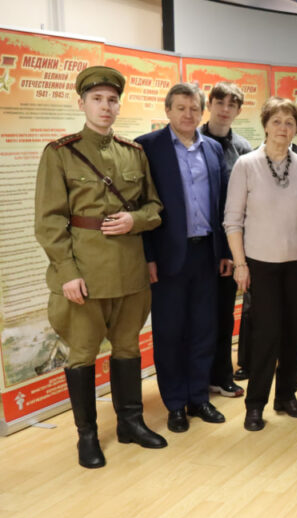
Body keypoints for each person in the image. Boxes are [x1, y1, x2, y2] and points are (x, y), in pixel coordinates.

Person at [35, 66, 167, 468]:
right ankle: (87, 436)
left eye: (112, 100)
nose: (105, 107)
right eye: (97, 99)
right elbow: (49, 222)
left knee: (128, 348)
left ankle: (131, 423)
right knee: (83, 354)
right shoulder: (60, 153)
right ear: (82, 103)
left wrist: (135, 220)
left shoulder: (133, 153)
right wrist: (67, 273)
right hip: (85, 274)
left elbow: (154, 207)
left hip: (129, 270)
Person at [138, 83, 231, 433]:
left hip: (206, 252)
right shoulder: (148, 147)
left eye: (194, 108)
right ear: (168, 111)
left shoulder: (212, 148)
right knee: (170, 332)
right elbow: (140, 205)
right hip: (167, 257)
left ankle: (199, 397)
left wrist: (224, 251)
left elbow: (221, 203)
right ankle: (175, 404)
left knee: (204, 329)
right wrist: (148, 256)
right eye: (181, 108)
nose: (188, 115)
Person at [223, 97, 297, 431]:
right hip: (260, 264)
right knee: (265, 335)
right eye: (276, 121)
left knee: (294, 333)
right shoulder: (246, 165)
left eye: (290, 122)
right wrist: (240, 264)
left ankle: (286, 396)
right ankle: (255, 404)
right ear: (265, 125)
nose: (283, 128)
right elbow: (232, 220)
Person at [199, 81, 252, 399]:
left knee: (222, 314)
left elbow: (245, 203)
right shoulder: (192, 139)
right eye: (220, 102)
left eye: (232, 104)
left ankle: (221, 375)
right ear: (209, 104)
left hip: (228, 247)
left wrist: (236, 252)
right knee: (196, 317)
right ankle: (197, 378)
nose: (225, 109)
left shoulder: (243, 148)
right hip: (195, 245)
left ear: (238, 111)